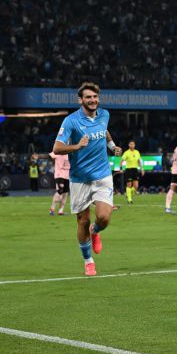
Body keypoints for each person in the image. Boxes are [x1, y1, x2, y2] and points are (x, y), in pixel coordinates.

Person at [53, 82, 122, 276]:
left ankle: (96, 231)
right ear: (80, 100)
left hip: (102, 175)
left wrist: (112, 146)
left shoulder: (104, 115)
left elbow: (104, 130)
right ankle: (88, 261)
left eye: (95, 97)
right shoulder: (71, 121)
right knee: (82, 221)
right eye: (88, 97)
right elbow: (57, 148)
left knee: (104, 218)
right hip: (79, 178)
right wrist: (76, 146)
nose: (92, 100)